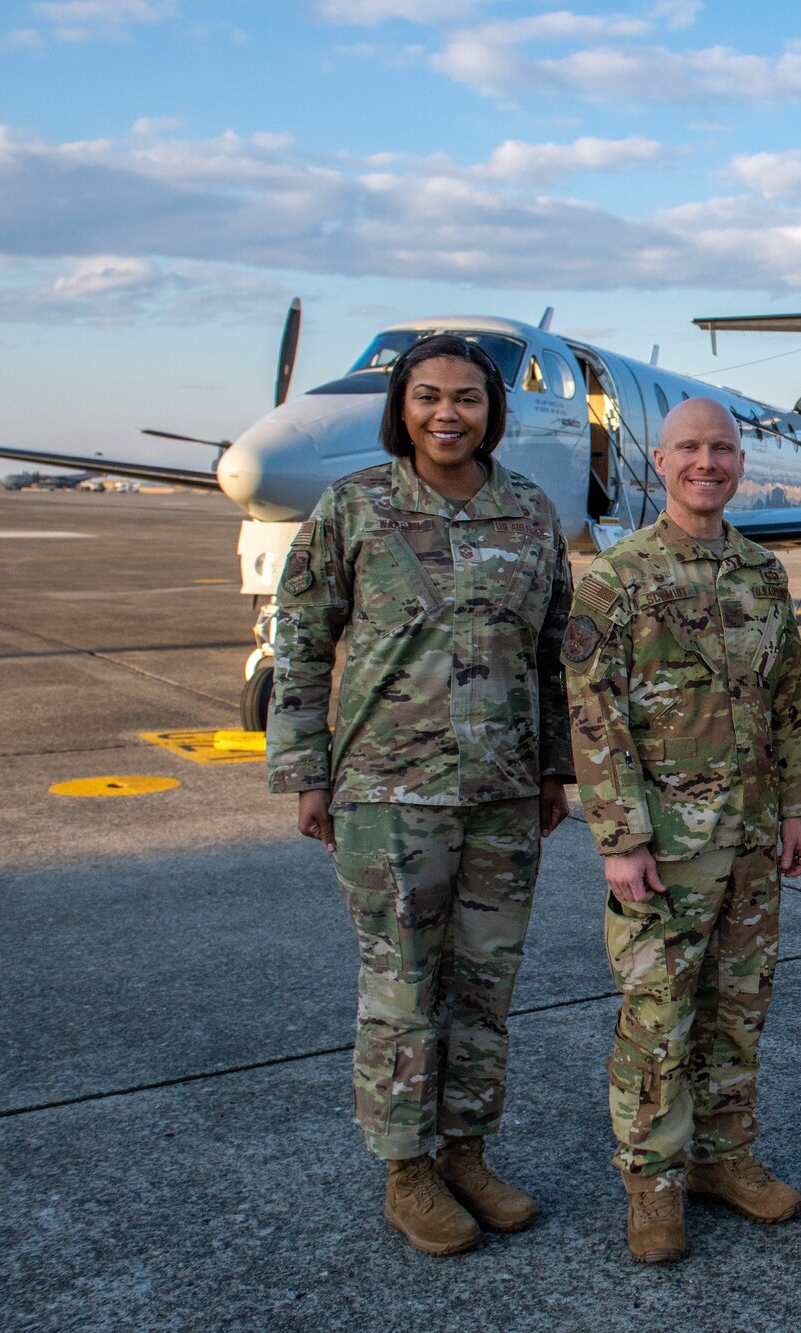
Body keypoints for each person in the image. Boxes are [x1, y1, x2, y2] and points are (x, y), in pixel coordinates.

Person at [266, 333, 573, 1257]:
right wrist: (304, 771)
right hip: (389, 793)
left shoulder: (528, 510)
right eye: (430, 396)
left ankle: (466, 1153)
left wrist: (555, 767)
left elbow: (554, 649)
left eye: (469, 398)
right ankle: (407, 1170)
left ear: (494, 411)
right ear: (402, 406)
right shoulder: (355, 508)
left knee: (484, 987)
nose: (449, 414)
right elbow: (303, 639)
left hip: (505, 794)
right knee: (403, 989)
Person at [564, 398, 801, 1265]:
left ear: (740, 462)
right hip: (665, 847)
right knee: (659, 1015)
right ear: (659, 463)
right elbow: (595, 720)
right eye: (690, 450)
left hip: (749, 841)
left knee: (739, 1009)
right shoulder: (617, 578)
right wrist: (620, 838)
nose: (708, 462)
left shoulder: (761, 574)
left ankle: (726, 1157)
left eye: (723, 449)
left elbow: (786, 706)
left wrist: (793, 808)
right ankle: (653, 1182)